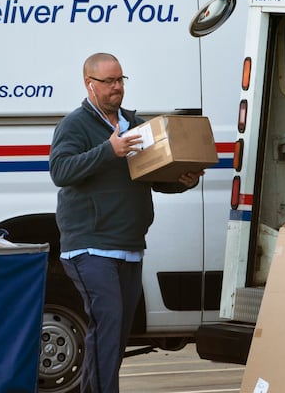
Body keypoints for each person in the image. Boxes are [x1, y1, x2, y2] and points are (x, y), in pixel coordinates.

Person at [49, 52, 203, 393]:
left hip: (129, 246)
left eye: (120, 79)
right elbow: (60, 171)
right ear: (89, 84)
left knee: (115, 334)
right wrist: (109, 150)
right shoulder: (75, 125)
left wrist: (182, 181)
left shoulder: (137, 125)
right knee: (108, 321)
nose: (117, 87)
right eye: (109, 81)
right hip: (89, 247)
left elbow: (152, 176)